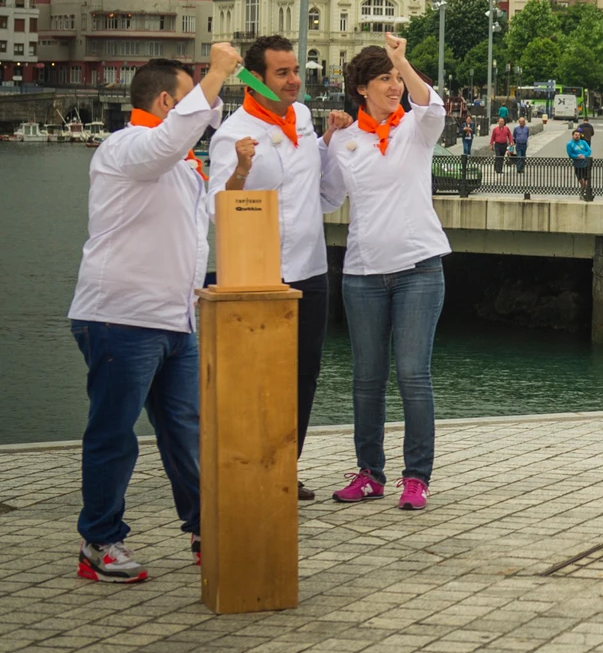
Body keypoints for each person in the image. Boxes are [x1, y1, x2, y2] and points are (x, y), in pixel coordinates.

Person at [69, 43, 241, 582]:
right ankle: (99, 542)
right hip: (121, 316)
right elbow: (170, 140)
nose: (204, 113)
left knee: (187, 431)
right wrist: (215, 71)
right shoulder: (126, 147)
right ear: (167, 102)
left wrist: (239, 175)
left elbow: (210, 215)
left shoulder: (180, 163)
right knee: (114, 433)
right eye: (192, 99)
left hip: (175, 320)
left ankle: (202, 527)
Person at [207, 35, 349, 502]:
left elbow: (324, 195)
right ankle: (249, 467)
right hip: (258, 273)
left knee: (304, 374)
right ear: (254, 78)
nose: (295, 81)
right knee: (255, 377)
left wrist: (331, 142)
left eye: (297, 71)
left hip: (310, 267)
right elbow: (216, 209)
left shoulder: (304, 120)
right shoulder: (233, 133)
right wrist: (242, 170)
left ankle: (287, 467)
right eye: (283, 73)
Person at [327, 34, 452, 512]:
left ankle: (416, 477)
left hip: (420, 268)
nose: (394, 85)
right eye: (384, 78)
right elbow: (325, 195)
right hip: (361, 273)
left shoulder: (416, 129)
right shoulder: (345, 140)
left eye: (397, 77)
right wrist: (325, 137)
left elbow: (432, 104)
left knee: (412, 375)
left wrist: (402, 59)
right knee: (367, 378)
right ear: (361, 87)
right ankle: (369, 473)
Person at [567, 127, 594, 201]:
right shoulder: (569, 144)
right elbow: (570, 154)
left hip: (586, 165)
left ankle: (585, 194)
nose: (577, 136)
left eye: (578, 135)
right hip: (577, 165)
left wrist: (584, 155)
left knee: (587, 182)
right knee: (582, 182)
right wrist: (577, 156)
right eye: (575, 135)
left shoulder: (583, 142)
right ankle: (582, 194)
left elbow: (589, 151)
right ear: (572, 136)